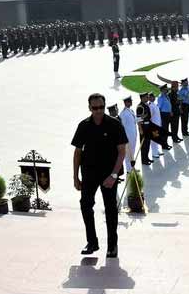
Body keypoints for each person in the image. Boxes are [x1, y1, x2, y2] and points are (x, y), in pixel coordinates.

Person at [71, 93, 128, 259]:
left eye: (101, 107)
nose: (98, 111)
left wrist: (114, 175)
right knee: (85, 205)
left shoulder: (114, 124)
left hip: (109, 174)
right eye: (95, 108)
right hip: (89, 173)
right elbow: (77, 153)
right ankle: (92, 242)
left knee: (110, 209)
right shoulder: (84, 126)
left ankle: (112, 245)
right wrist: (76, 177)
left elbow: (122, 151)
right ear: (89, 108)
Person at [118, 96, 138, 176]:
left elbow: (135, 120)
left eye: (131, 101)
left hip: (133, 135)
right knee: (128, 154)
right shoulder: (123, 114)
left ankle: (132, 167)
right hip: (128, 136)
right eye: (129, 101)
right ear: (126, 103)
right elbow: (122, 127)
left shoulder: (131, 111)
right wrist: (124, 138)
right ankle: (129, 170)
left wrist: (141, 118)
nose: (131, 102)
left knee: (132, 152)